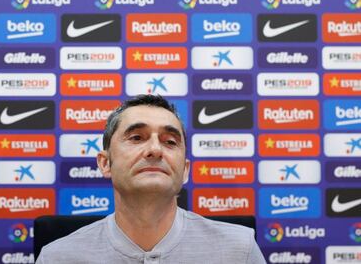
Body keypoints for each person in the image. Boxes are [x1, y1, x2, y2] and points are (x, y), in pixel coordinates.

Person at [36, 95, 266, 264]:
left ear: (185, 170)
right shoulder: (57, 257)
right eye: (137, 137)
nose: (155, 150)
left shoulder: (239, 250)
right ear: (105, 163)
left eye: (170, 142)